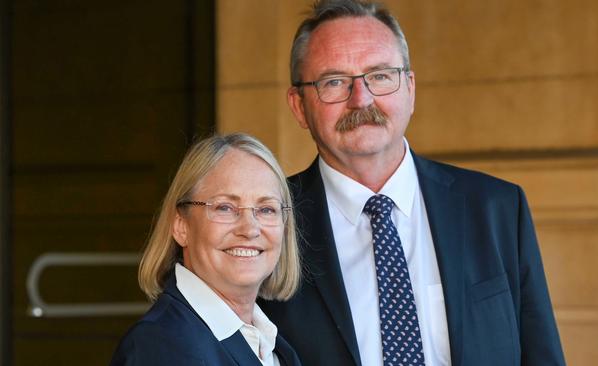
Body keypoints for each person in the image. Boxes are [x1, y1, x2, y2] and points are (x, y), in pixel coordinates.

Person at [258, 1, 566, 365]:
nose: (362, 99)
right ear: (299, 106)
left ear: (410, 88)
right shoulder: (268, 222)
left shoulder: (496, 207)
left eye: (381, 75)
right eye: (335, 81)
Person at [111, 133, 302, 366]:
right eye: (225, 207)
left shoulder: (275, 347)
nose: (250, 229)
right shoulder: (158, 346)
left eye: (266, 209)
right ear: (181, 226)